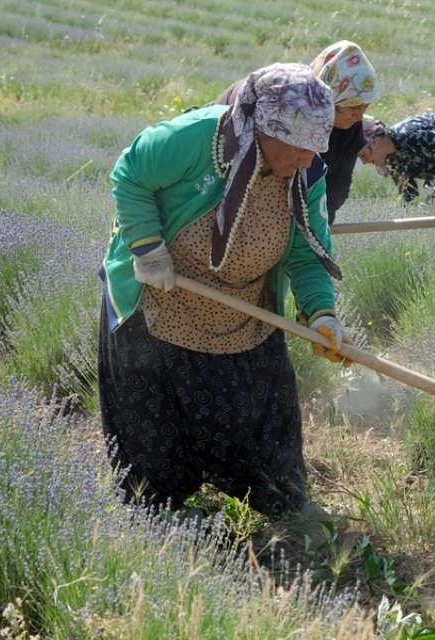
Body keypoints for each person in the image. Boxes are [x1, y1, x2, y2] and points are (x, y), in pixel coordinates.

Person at [97, 63, 350, 535]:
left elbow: (309, 252)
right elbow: (129, 171)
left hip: (243, 310)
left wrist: (322, 314)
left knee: (264, 414)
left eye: (312, 150)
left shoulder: (304, 170)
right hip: (161, 296)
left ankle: (285, 505)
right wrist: (147, 246)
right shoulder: (198, 138)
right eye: (296, 148)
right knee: (154, 428)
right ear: (263, 129)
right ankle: (154, 524)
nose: (304, 160)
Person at [215, 41, 379, 223]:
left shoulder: (351, 127)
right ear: (331, 99)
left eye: (366, 106)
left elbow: (337, 185)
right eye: (353, 107)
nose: (360, 115)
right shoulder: (286, 105)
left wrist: (318, 223)